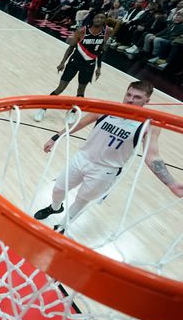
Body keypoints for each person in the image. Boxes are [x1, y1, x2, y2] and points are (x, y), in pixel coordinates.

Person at [34, 81, 183, 232]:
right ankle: (55, 207)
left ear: (147, 101)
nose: (130, 100)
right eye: (128, 94)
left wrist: (171, 183)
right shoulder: (108, 109)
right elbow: (79, 124)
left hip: (105, 170)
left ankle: (62, 225)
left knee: (82, 199)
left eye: (137, 97)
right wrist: (56, 137)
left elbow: (152, 156)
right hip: (82, 158)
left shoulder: (149, 125)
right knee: (58, 189)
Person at [34, 12, 110, 123]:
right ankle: (43, 108)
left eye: (102, 18)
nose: (99, 19)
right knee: (61, 88)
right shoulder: (82, 31)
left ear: (105, 20)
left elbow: (101, 50)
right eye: (97, 17)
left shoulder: (107, 32)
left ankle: (73, 112)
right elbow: (71, 48)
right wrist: (62, 62)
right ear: (93, 19)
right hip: (75, 62)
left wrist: (99, 67)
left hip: (89, 64)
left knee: (81, 91)